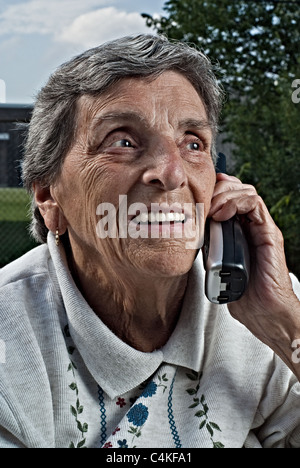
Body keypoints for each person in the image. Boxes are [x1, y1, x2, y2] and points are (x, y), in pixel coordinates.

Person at [0, 34, 299, 449]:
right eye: (122, 141)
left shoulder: (269, 302)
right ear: (49, 197)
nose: (171, 173)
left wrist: (285, 327)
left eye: (193, 143)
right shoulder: (9, 342)